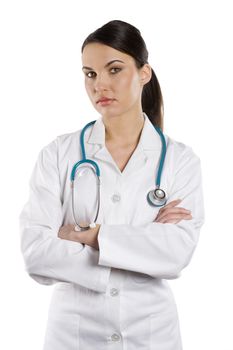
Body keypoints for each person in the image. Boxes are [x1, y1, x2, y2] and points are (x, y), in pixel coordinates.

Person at [19, 19, 205, 350]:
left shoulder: (180, 160)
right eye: (90, 73)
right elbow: (36, 253)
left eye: (114, 69)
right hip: (73, 334)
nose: (99, 84)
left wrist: (90, 236)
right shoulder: (58, 154)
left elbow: (176, 253)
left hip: (151, 333)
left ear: (143, 73)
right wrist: (142, 245)